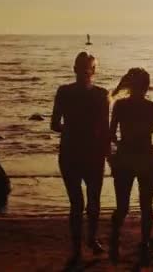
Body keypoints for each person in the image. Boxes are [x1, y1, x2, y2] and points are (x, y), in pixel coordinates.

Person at [51, 52, 110, 266]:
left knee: (82, 202)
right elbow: (105, 130)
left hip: (76, 153)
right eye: (85, 67)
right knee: (87, 201)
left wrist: (73, 129)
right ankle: (87, 242)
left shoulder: (65, 92)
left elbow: (55, 125)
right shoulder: (101, 94)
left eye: (87, 67)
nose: (86, 71)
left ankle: (81, 246)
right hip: (85, 154)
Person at [108, 68, 153, 266]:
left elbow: (111, 135)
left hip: (125, 158)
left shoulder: (120, 106)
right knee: (146, 206)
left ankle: (114, 242)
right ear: (147, 86)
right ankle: (145, 244)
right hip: (146, 158)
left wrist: (112, 155)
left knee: (122, 206)